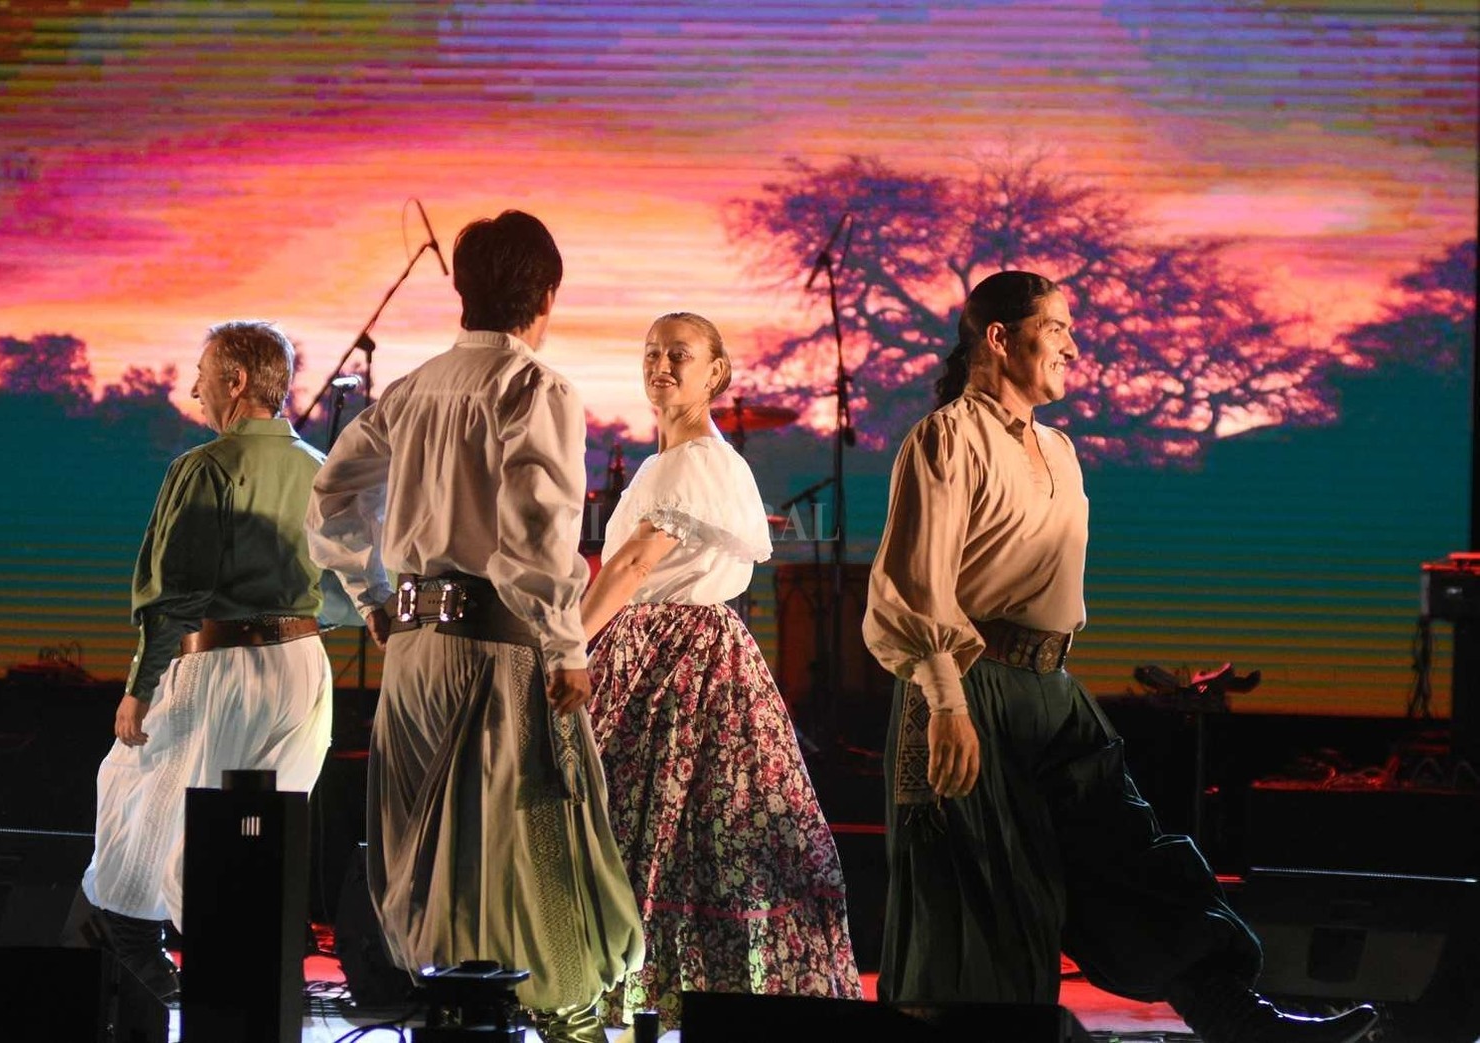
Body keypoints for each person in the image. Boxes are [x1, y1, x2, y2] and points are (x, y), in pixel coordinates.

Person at [862, 271, 1379, 1043]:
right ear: (998, 337)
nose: (1073, 343)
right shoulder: (947, 437)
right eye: (1057, 326)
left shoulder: (1059, 449)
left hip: (1050, 692)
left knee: (1131, 859)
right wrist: (945, 700)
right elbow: (913, 585)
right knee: (985, 899)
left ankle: (1242, 1023)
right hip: (969, 687)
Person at [306, 210, 643, 1043]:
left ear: (463, 289)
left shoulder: (413, 389)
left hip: (416, 654)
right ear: (548, 295)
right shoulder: (537, 389)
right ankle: (563, 1020)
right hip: (495, 649)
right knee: (534, 845)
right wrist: (567, 645)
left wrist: (374, 596)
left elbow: (332, 495)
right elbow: (537, 532)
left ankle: (456, 1023)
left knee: (429, 862)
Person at [580, 312, 862, 1029]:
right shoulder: (660, 464)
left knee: (690, 824)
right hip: (649, 649)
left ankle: (698, 993)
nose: (661, 366)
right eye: (651, 353)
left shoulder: (700, 462)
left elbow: (634, 564)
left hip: (683, 659)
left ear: (715, 371)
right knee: (656, 826)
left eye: (679, 354)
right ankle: (648, 990)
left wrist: (569, 642)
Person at [68, 320, 336, 1001]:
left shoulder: (205, 468)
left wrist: (139, 685)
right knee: (256, 830)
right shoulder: (320, 468)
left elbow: (175, 594)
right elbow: (351, 587)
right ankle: (246, 986)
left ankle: (145, 968)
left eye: (203, 372)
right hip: (303, 670)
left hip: (219, 668)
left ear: (237, 381)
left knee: (139, 802)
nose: (192, 388)